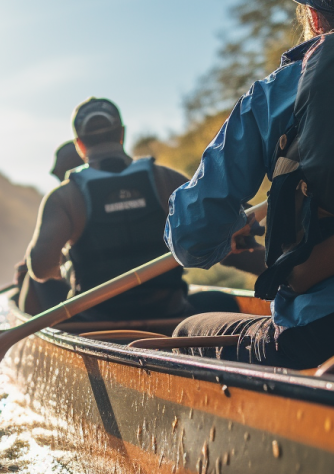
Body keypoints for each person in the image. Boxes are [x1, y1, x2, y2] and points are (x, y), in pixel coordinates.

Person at [166, 0, 334, 369]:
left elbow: (192, 239)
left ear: (313, 16)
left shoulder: (277, 92)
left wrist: (227, 230)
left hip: (323, 335)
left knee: (186, 331)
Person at [20, 98, 242, 319]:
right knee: (224, 302)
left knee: (32, 279)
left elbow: (40, 268)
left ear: (79, 144)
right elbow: (223, 236)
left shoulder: (65, 197)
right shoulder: (167, 180)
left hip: (97, 322)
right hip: (168, 312)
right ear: (122, 134)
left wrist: (68, 268)